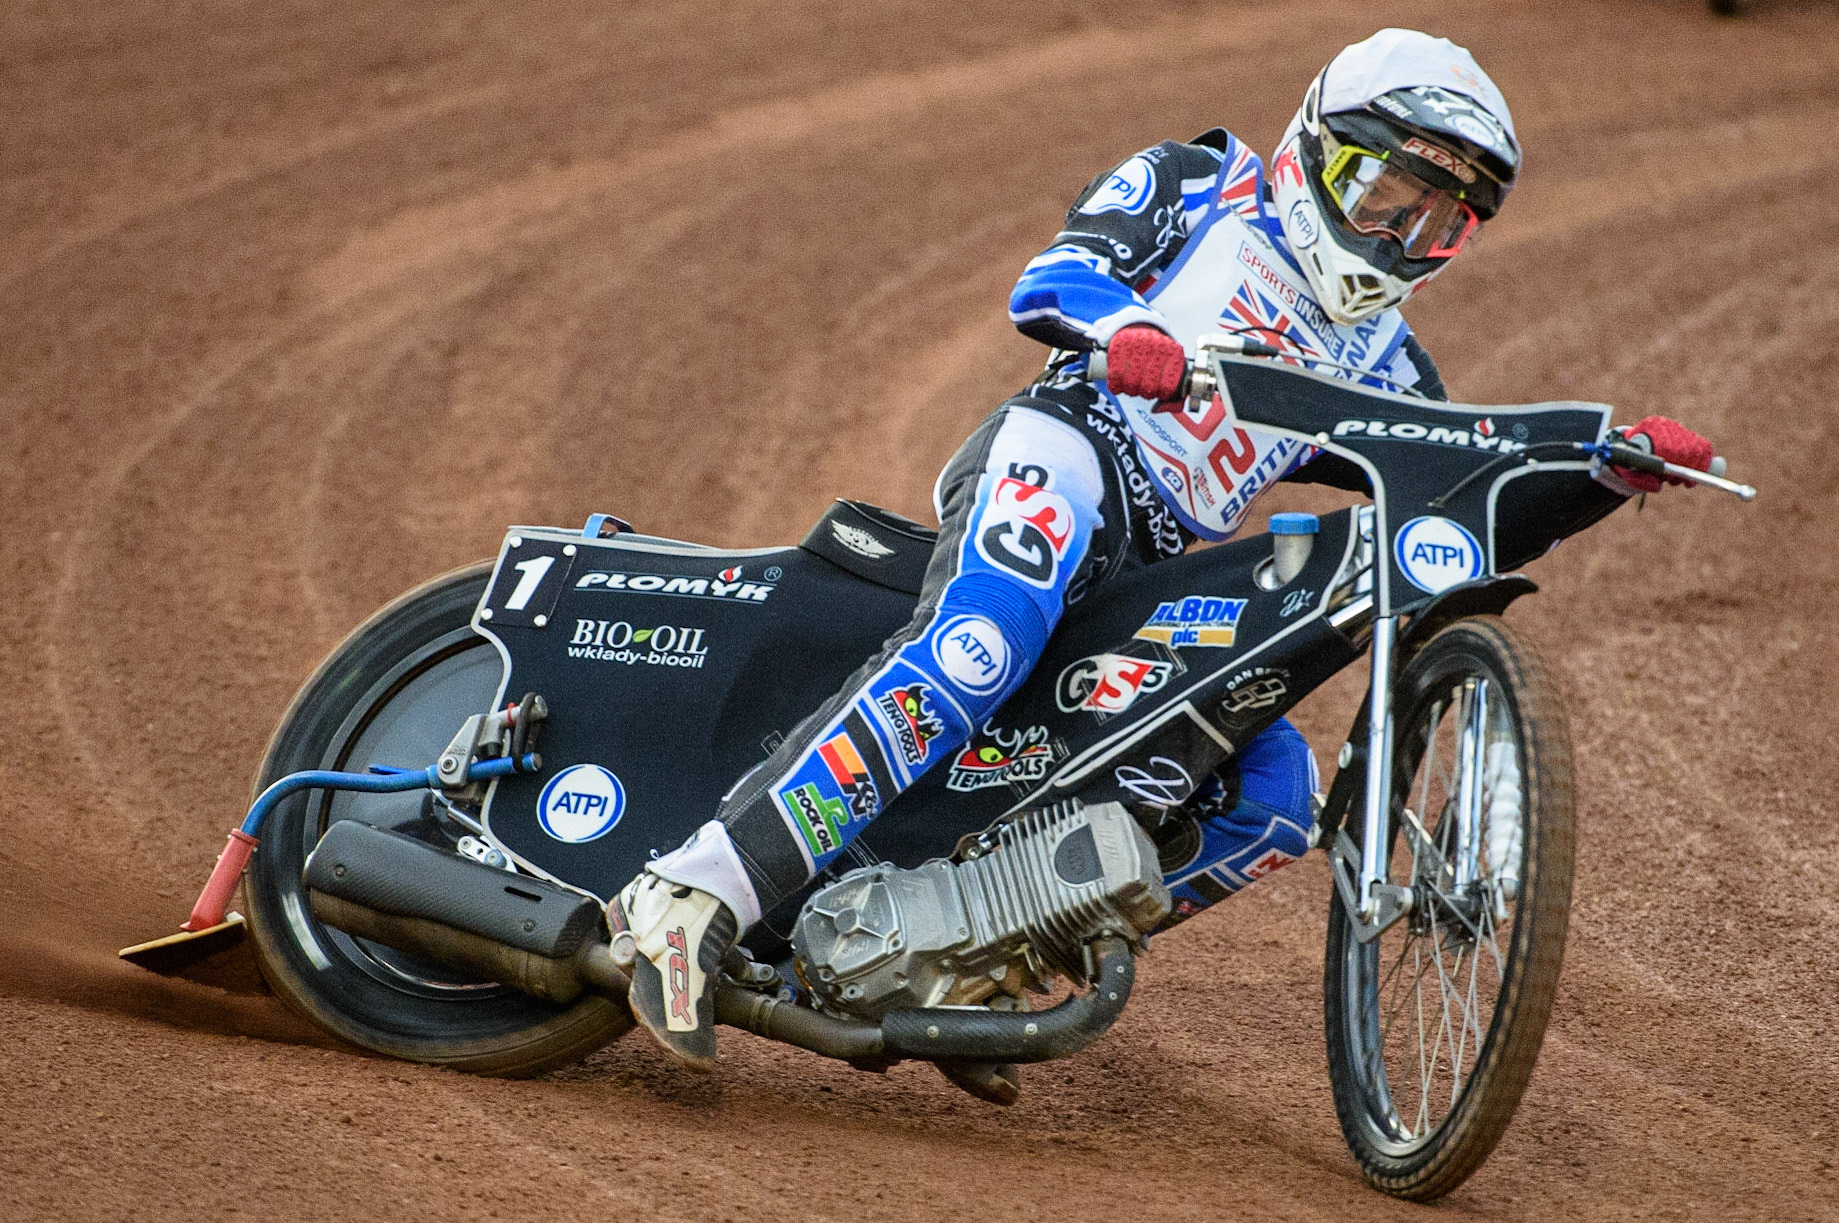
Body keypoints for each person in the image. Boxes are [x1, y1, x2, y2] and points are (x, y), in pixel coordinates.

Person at [607, 27, 1714, 1067]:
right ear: (1316, 149)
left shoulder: (1390, 359)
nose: (1398, 238)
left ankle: (958, 960)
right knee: (979, 647)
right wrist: (1134, 334)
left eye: (1438, 222)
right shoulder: (1204, 183)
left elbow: (1449, 483)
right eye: (1382, 194)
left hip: (1161, 556)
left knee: (1273, 792)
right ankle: (692, 894)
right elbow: (1053, 280)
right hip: (1069, 450)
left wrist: (1600, 468)